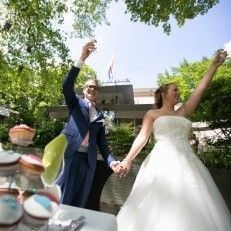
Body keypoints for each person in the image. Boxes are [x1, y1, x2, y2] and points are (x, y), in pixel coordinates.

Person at [117, 49, 231, 231]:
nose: (178, 92)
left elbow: (200, 89)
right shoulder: (152, 114)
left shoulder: (184, 111)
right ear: (163, 93)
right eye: (174, 89)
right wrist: (127, 160)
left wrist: (214, 66)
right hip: (160, 161)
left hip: (188, 163)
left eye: (178, 90)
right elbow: (142, 138)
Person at [56, 41, 123, 208]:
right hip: (71, 156)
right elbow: (66, 85)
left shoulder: (100, 116)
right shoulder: (75, 104)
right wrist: (82, 58)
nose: (93, 89)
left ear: (98, 92)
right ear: (84, 89)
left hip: (89, 162)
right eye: (89, 86)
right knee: (63, 197)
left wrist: (112, 162)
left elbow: (102, 144)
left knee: (80, 201)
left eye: (95, 87)